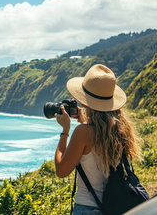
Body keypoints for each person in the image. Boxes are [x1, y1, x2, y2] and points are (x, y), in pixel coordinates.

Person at [54, 64, 140, 215]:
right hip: (116, 207)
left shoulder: (83, 133)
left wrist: (65, 131)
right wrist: (86, 122)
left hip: (87, 208)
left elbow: (61, 170)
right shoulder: (121, 130)